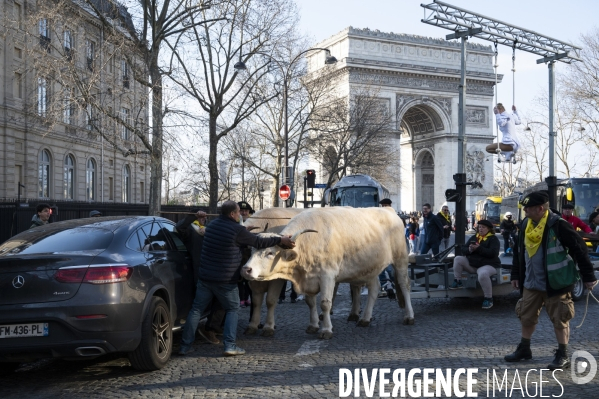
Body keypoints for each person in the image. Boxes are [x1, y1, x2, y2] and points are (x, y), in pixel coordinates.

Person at [179, 200, 295, 357]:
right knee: (233, 309)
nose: (241, 214)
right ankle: (230, 346)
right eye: (238, 211)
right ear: (232, 214)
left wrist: (244, 230)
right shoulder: (236, 230)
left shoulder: (212, 225)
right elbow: (259, 242)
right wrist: (280, 240)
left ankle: (185, 346)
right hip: (225, 280)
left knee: (196, 310)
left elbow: (230, 237)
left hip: (205, 278)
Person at [504, 191, 597, 370]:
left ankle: (563, 354)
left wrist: (588, 277)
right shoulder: (525, 224)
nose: (525, 211)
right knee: (526, 315)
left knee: (560, 318)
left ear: (540, 209)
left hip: (556, 283)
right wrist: (516, 274)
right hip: (531, 282)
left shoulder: (559, 225)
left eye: (528, 208)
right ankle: (524, 348)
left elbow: (580, 250)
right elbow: (518, 251)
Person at [176, 210, 222, 345]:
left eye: (204, 215)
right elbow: (180, 227)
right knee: (199, 307)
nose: (203, 218)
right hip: (199, 272)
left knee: (219, 302)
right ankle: (190, 339)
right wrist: (192, 217)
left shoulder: (210, 229)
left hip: (215, 271)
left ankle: (210, 328)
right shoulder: (190, 229)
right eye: (200, 216)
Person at [449, 219, 500, 309]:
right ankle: (458, 281)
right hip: (473, 264)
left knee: (483, 274)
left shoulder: (493, 239)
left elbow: (493, 253)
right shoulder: (474, 237)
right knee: (458, 259)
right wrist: (469, 250)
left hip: (489, 265)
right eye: (479, 227)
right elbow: (463, 249)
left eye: (483, 227)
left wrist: (479, 248)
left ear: (489, 229)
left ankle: (488, 298)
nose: (481, 229)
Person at [237, 201, 254, 308]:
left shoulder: (254, 222)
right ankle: (241, 298)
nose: (243, 213)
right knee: (239, 279)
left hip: (249, 255)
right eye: (241, 211)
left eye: (245, 211)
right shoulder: (235, 222)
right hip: (238, 255)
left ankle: (247, 298)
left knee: (248, 279)